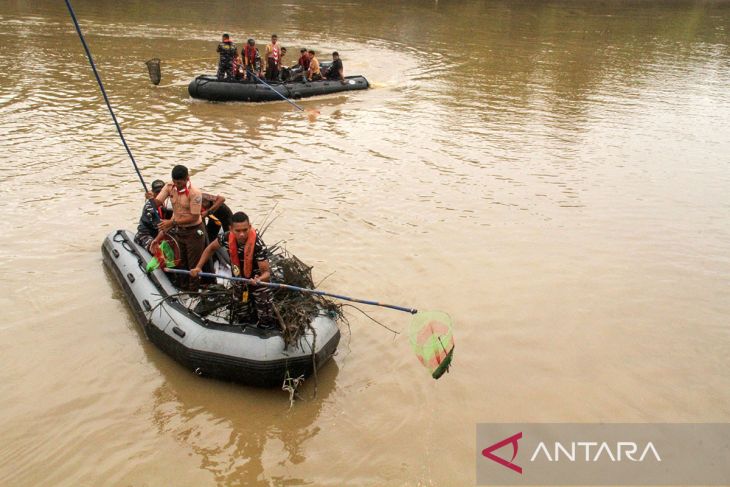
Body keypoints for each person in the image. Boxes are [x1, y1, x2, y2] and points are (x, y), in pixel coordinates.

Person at [190, 212, 276, 329]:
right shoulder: (225, 237)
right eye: (238, 231)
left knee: (265, 315)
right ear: (231, 229)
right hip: (239, 280)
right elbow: (210, 248)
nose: (242, 234)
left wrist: (259, 279)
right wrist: (198, 267)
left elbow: (266, 273)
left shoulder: (258, 245)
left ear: (250, 227)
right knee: (240, 312)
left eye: (245, 230)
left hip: (258, 282)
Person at [146, 165, 206, 290]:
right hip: (180, 231)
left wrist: (171, 223)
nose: (177, 185)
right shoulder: (169, 187)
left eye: (180, 183)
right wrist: (151, 198)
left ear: (187, 179)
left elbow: (194, 217)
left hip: (194, 231)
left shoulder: (195, 193)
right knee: (181, 261)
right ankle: (182, 288)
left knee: (193, 264)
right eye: (175, 182)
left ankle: (193, 291)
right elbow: (157, 203)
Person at [134, 179, 168, 250]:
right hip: (146, 234)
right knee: (156, 249)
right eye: (157, 192)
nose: (159, 194)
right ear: (152, 192)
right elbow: (160, 226)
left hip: (160, 233)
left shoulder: (166, 203)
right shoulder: (150, 207)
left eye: (161, 192)